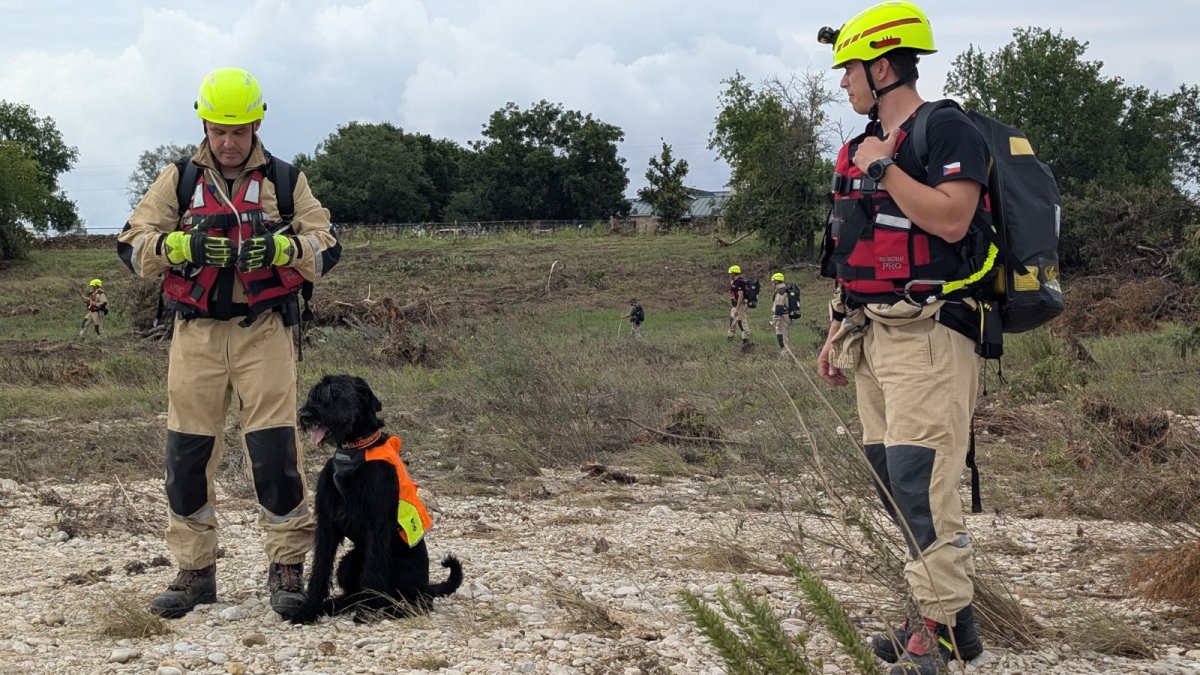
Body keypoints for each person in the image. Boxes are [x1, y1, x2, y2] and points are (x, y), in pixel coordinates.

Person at [116, 67, 342, 620]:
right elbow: (131, 244)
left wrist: (285, 251)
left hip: (263, 330)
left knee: (275, 455)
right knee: (187, 456)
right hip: (194, 334)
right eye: (219, 130)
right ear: (205, 123)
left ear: (257, 123)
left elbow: (327, 244)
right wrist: (178, 243)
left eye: (239, 130)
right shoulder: (178, 180)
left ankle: (287, 568)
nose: (229, 142)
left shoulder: (287, 181)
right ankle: (195, 573)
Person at [815, 3, 990, 673]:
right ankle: (947, 621)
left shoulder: (945, 129)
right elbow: (856, 245)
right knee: (892, 480)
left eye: (849, 71)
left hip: (930, 335)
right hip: (871, 334)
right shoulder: (859, 145)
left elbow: (951, 220)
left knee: (923, 483)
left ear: (882, 67)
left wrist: (886, 168)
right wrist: (836, 328)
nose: (843, 84)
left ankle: (941, 638)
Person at [725, 265, 749, 344]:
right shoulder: (734, 282)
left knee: (741, 322)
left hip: (740, 305)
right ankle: (730, 337)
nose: (729, 275)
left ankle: (745, 339)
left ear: (733, 273)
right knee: (732, 321)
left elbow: (741, 296)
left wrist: (737, 309)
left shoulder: (740, 282)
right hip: (735, 305)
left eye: (730, 273)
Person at [769, 272, 791, 356]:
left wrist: (775, 319)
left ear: (776, 281)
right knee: (780, 335)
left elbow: (779, 306)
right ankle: (785, 353)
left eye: (773, 281)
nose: (772, 283)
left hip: (782, 316)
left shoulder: (781, 292)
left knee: (783, 337)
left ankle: (786, 355)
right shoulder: (783, 290)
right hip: (783, 315)